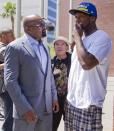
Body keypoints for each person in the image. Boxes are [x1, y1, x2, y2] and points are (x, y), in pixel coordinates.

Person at [4, 14, 59, 131]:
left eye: (44, 25)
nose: (44, 28)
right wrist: (25, 109)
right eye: (40, 25)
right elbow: (10, 81)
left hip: (46, 111)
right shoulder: (15, 47)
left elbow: (48, 76)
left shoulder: (46, 48)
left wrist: (54, 97)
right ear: (28, 28)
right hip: (27, 112)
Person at [65, 2, 112, 131]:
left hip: (88, 104)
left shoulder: (102, 38)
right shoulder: (82, 40)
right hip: (72, 102)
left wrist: (77, 38)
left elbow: (87, 64)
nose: (77, 20)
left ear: (92, 18)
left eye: (81, 17)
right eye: (76, 17)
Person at [51, 37, 71, 131]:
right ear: (54, 47)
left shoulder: (74, 60)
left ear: (67, 47)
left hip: (70, 100)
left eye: (62, 44)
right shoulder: (50, 63)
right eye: (57, 44)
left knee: (71, 127)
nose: (59, 47)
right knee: (52, 126)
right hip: (55, 100)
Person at [0, 29, 15, 131]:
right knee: (9, 117)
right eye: (11, 35)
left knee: (9, 116)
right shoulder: (4, 49)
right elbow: (12, 62)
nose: (14, 37)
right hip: (6, 87)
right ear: (4, 36)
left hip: (5, 86)